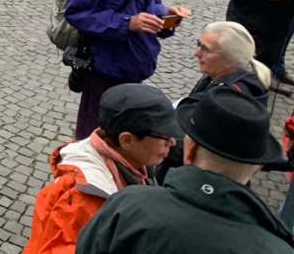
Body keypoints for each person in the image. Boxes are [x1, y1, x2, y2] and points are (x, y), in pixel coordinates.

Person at [75, 88, 294, 254]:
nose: (171, 143)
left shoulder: (128, 206)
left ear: (190, 150)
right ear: (256, 169)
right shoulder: (277, 248)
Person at [64, 0, 191, 141]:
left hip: (132, 64)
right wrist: (126, 23)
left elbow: (149, 2)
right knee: (95, 134)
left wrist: (165, 16)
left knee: (119, 135)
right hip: (104, 66)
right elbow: (76, 12)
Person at [22, 84, 180, 254]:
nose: (172, 143)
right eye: (164, 137)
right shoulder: (85, 198)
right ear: (127, 140)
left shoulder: (136, 164)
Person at [154, 22, 271, 184]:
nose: (196, 53)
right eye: (198, 44)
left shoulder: (230, 100)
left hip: (194, 180)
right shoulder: (225, 76)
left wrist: (155, 143)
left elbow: (203, 151)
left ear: (230, 59)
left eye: (205, 49)